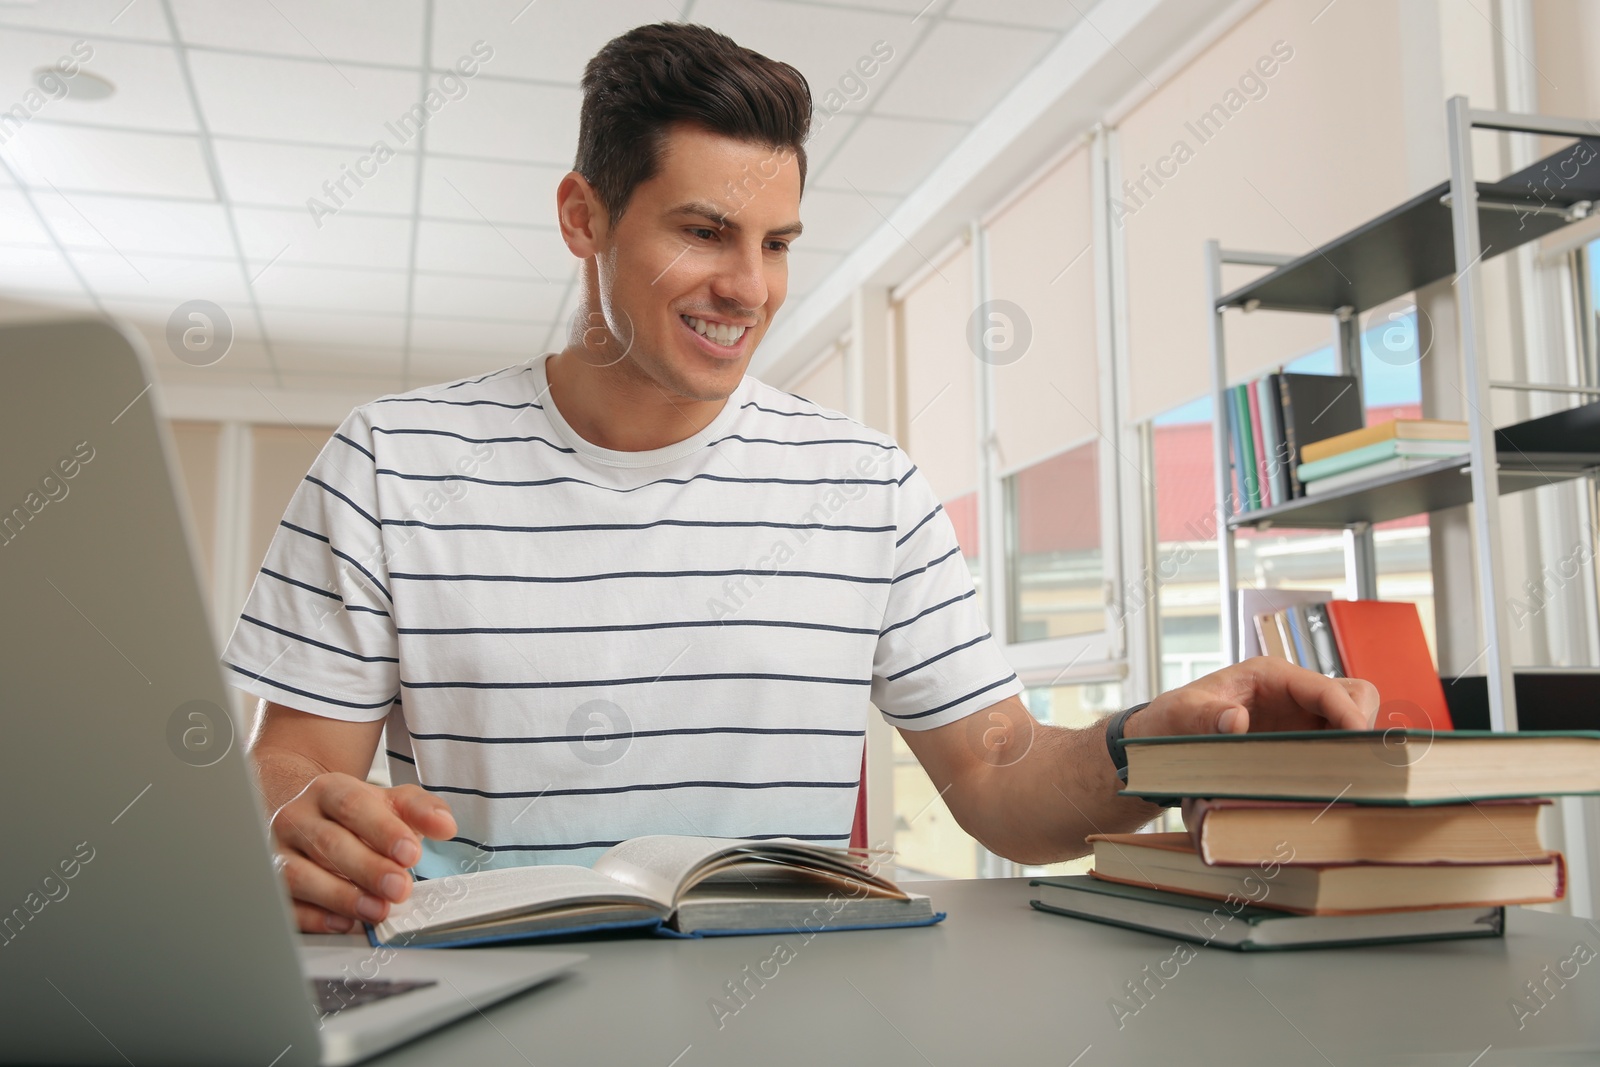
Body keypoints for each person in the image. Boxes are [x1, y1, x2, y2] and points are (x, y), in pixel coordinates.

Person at [226, 22, 1379, 935]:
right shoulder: (390, 462)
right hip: (497, 991)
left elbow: (1002, 777)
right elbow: (294, 761)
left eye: (776, 243)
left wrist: (1153, 739)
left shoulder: (867, 488)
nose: (748, 286)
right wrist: (297, 819)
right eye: (703, 230)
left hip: (788, 999)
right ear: (585, 217)